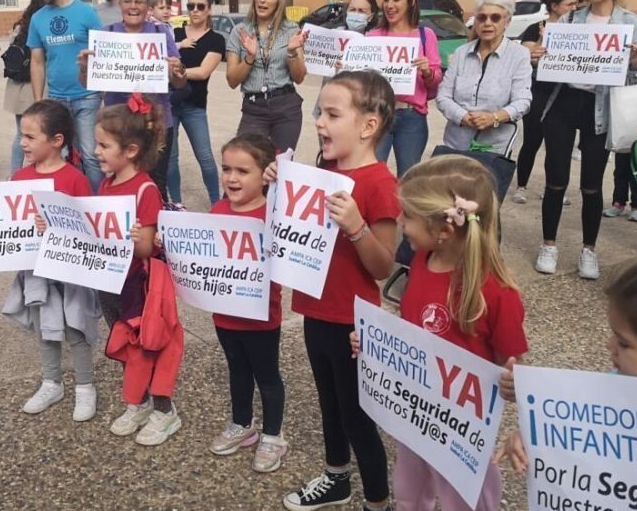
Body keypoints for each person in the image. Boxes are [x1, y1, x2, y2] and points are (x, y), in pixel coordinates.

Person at [351, 154, 527, 510]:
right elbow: (412, 326)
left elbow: (514, 363)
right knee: (408, 488)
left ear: (444, 231)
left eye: (407, 216)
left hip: (461, 430)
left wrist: (514, 382)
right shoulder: (421, 260)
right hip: (416, 411)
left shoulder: (496, 292)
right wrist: (376, 342)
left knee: (463, 497)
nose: (399, 222)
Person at [277, 70, 398, 511]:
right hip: (315, 311)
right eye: (319, 113)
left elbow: (383, 266)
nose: (319, 122)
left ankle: (378, 501)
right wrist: (279, 184)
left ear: (368, 125)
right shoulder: (324, 172)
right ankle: (336, 479)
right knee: (329, 404)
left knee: (357, 417)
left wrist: (357, 227)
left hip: (353, 323)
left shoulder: (380, 183)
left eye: (332, 114)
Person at [496, 250, 637, 475]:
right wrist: (535, 435)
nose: (609, 345)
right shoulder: (615, 388)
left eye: (624, 343)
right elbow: (575, 418)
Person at [534, 0, 637, 280]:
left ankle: (589, 250)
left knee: (592, 185)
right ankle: (549, 245)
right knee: (555, 179)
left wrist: (635, 63)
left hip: (601, 106)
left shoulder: (631, 23)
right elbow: (549, 65)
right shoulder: (569, 20)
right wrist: (541, 55)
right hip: (564, 103)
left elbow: (635, 78)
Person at [3, 100, 100, 421]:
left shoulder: (75, 179)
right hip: (36, 272)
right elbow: (3, 226)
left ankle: (85, 387)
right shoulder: (19, 178)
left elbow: (89, 228)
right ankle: (51, 382)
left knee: (76, 328)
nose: (23, 143)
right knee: (46, 328)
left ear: (57, 140)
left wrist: (57, 226)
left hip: (70, 273)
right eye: (22, 135)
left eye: (31, 137)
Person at [94, 94, 182, 446]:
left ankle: (165, 410)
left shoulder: (145, 189)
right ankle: (139, 401)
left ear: (131, 150)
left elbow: (146, 248)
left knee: (148, 346)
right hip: (108, 282)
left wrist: (132, 238)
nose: (97, 152)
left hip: (135, 285)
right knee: (123, 344)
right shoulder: (106, 184)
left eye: (104, 146)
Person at [206, 133, 287, 472]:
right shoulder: (217, 210)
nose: (232, 178)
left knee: (267, 376)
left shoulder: (275, 214)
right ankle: (242, 423)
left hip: (261, 317)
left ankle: (273, 435)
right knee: (237, 370)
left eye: (243, 171)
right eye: (226, 169)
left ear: (265, 176)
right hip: (225, 316)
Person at [77, 0, 187, 202]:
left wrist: (178, 71)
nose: (133, 6)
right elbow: (89, 83)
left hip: (155, 123)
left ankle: (153, 223)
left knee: (156, 183)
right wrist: (85, 68)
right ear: (120, 4)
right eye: (128, 1)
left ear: (148, 6)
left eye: (139, 1)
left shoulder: (161, 32)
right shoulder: (107, 34)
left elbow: (178, 84)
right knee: (120, 182)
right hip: (118, 124)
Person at [28, 0, 104, 190]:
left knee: (90, 155)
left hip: (87, 96)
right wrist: (39, 103)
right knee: (57, 156)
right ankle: (65, 204)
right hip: (56, 100)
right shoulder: (37, 19)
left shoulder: (87, 12)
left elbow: (103, 52)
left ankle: (97, 204)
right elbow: (37, 62)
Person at [437, 0, 532, 155]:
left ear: (507, 21)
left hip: (494, 148)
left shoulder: (519, 55)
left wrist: (494, 118)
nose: (487, 23)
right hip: (455, 144)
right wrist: (462, 116)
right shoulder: (461, 53)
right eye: (481, 18)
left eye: (495, 18)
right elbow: (443, 96)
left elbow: (522, 101)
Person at [367, 0, 443, 176]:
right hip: (377, 114)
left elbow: (435, 81)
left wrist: (427, 71)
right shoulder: (373, 36)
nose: (389, 5)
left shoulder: (425, 35)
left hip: (412, 117)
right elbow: (361, 78)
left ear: (411, 1)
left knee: (409, 178)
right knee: (372, 174)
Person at [225, 0, 308, 153]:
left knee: (280, 165)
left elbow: (300, 77)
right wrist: (249, 57)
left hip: (286, 107)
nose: (262, 0)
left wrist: (292, 52)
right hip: (254, 108)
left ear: (279, 1)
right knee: (248, 159)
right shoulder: (240, 31)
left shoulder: (291, 30)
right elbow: (232, 80)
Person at [513, 0, 577, 206]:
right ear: (554, 6)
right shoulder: (535, 28)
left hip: (564, 94)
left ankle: (554, 188)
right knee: (531, 141)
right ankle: (521, 185)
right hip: (539, 91)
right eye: (569, 4)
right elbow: (528, 57)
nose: (574, 8)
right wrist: (542, 39)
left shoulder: (579, 30)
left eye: (576, 3)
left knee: (557, 146)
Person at [170, 0, 226, 204]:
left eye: (200, 6)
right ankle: (176, 205)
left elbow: (203, 72)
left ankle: (216, 203)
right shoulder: (174, 33)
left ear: (209, 10)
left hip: (195, 106)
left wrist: (178, 71)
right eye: (190, 6)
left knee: (205, 158)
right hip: (170, 104)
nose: (195, 10)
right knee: (171, 160)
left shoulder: (215, 40)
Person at [310, 0, 379, 122]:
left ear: (371, 16)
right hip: (331, 108)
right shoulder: (333, 35)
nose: (356, 14)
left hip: (362, 111)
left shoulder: (376, 41)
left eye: (362, 11)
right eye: (352, 9)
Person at [4, 0, 44, 176]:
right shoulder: (43, 24)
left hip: (18, 87)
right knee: (45, 133)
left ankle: (15, 174)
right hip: (37, 85)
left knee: (21, 134)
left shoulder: (20, 27)